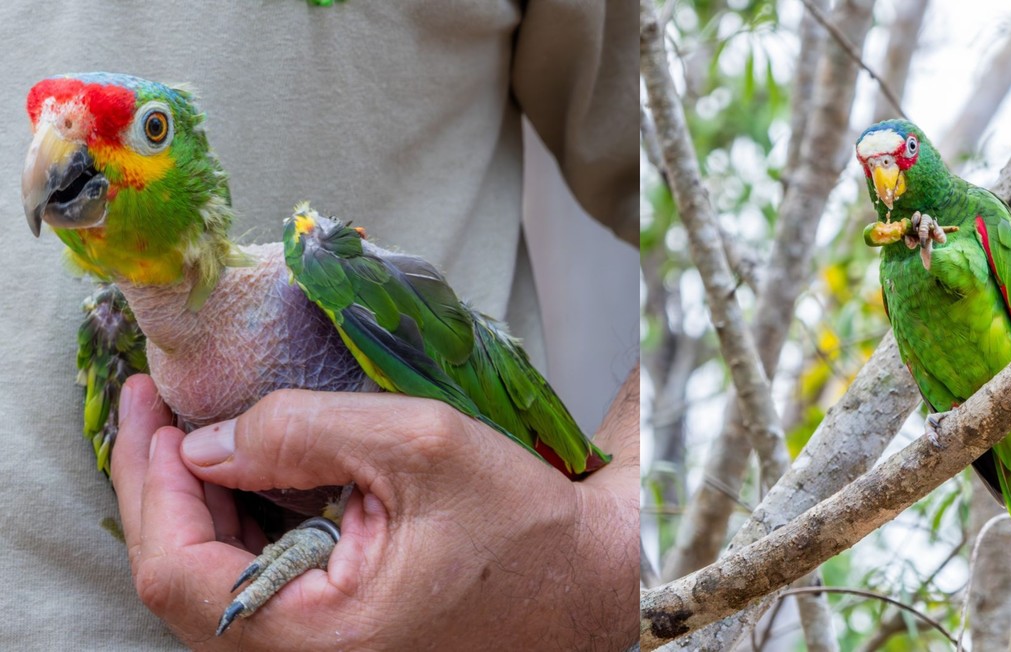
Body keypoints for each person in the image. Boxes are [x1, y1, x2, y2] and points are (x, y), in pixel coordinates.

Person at [0, 1, 638, 649]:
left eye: (152, 131)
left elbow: (664, 165)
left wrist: (601, 547)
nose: (62, 147)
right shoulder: (120, 342)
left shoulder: (322, 270)